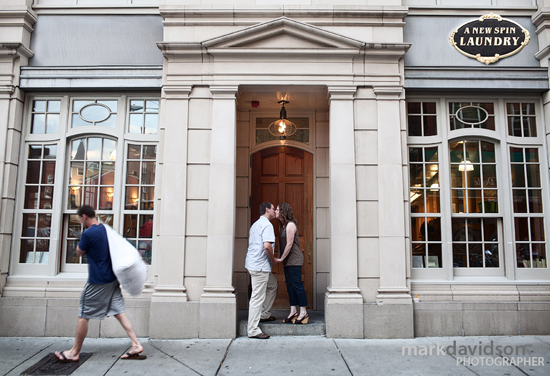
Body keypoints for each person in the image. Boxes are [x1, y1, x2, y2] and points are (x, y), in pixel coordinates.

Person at [54, 205, 145, 362]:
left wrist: (80, 240)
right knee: (119, 310)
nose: (80, 221)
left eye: (80, 219)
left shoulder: (88, 233)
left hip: (98, 281)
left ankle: (74, 352)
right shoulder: (105, 229)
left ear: (84, 217)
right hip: (112, 278)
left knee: (83, 314)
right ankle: (136, 344)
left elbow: (79, 252)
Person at [245, 201, 279, 339]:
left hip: (253, 264)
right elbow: (267, 246)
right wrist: (273, 260)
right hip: (260, 267)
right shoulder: (267, 225)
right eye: (273, 208)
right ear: (267, 210)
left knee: (273, 285)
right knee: (257, 298)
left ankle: (264, 315)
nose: (274, 210)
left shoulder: (255, 225)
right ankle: (253, 330)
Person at [275, 203, 308, 324]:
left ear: (283, 212)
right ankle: (293, 311)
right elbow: (282, 244)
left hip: (294, 259)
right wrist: (280, 258)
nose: (276, 211)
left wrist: (281, 258)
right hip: (288, 261)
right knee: (289, 285)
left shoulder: (290, 225)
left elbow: (289, 245)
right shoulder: (282, 226)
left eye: (278, 209)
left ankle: (303, 312)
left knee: (297, 285)